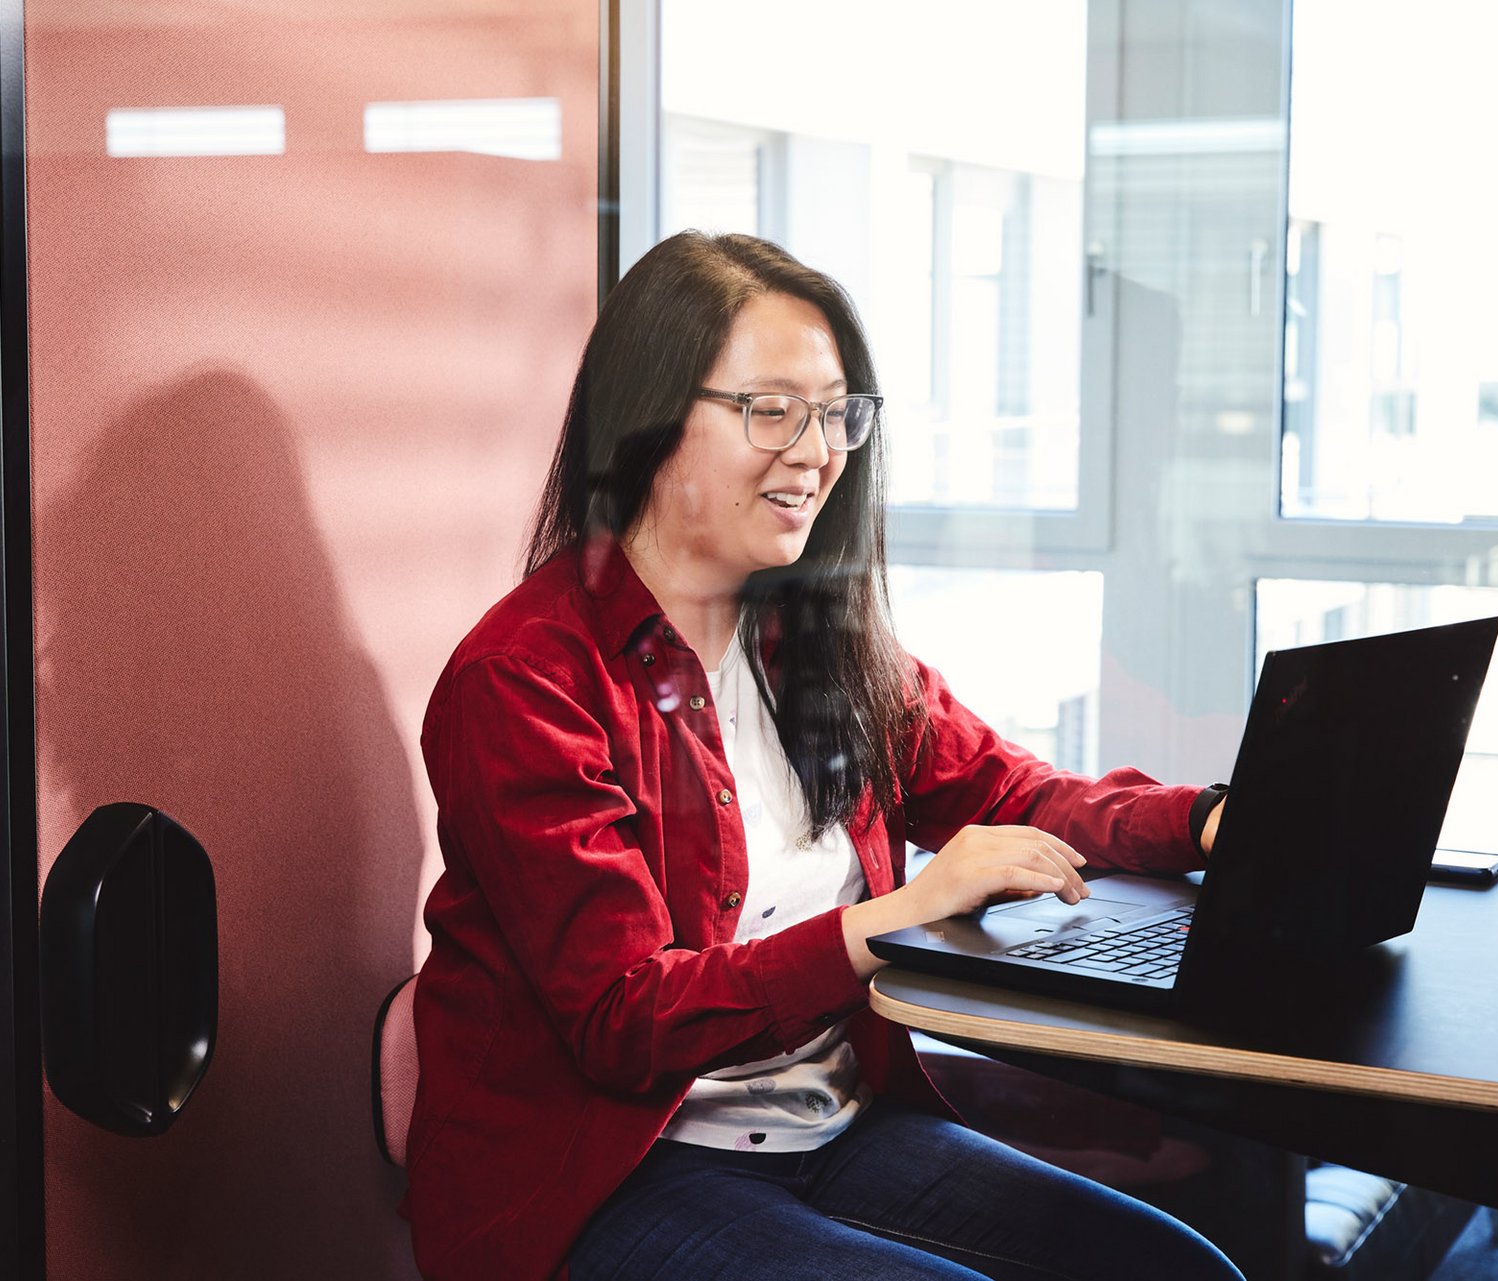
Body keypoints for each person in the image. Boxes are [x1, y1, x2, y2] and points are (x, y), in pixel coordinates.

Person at [403, 231, 1241, 1280]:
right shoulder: (526, 678)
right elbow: (625, 1019)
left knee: (1181, 1271)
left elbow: (1014, 791)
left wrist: (1211, 821)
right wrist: (895, 918)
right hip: (611, 1173)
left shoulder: (816, 644)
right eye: (771, 411)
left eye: (836, 413)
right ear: (647, 417)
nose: (816, 452)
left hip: (831, 1127)